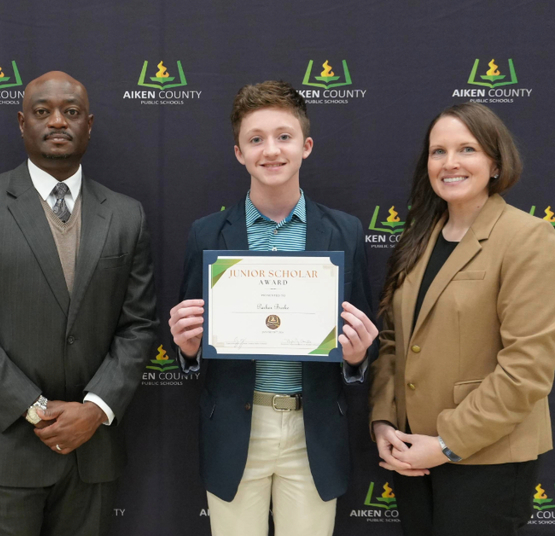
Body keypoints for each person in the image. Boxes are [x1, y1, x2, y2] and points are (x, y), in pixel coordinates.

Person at [0, 71, 157, 536]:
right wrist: (36, 409)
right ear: (22, 123)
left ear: (89, 125)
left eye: (71, 112)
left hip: (93, 452)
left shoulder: (126, 215)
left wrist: (94, 409)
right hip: (5, 452)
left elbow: (137, 326)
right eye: (42, 111)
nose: (57, 121)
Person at [169, 80, 379, 536]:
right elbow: (191, 349)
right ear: (239, 153)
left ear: (306, 146)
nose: (271, 150)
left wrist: (358, 355)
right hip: (235, 428)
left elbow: (363, 339)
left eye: (284, 136)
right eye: (255, 139)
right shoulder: (207, 234)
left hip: (313, 431)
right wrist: (186, 347)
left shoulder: (345, 232)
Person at [368, 102, 555, 536]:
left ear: (495, 163)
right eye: (438, 152)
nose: (450, 163)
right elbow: (393, 341)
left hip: (487, 458)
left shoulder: (528, 238)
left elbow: (527, 369)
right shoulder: (418, 238)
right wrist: (384, 421)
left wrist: (446, 444)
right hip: (411, 452)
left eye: (467, 149)